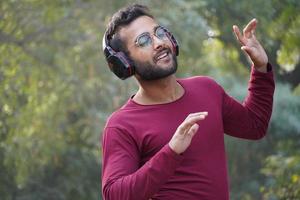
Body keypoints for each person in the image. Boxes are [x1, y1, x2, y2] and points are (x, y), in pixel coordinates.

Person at [101, 4, 275, 200]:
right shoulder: (121, 125)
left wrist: (260, 67)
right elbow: (114, 194)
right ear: (124, 63)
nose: (159, 42)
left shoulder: (207, 89)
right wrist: (171, 151)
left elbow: (255, 126)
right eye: (143, 41)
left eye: (159, 32)